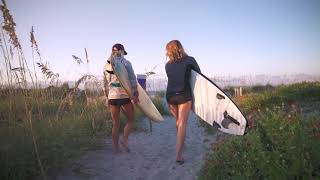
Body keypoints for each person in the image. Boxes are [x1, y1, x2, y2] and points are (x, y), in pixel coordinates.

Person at [165, 40, 201, 164]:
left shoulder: (167, 65)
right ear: (180, 48)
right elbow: (199, 76)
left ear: (168, 51)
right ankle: (179, 155)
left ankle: (181, 144)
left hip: (170, 96)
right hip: (183, 94)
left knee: (178, 122)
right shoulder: (190, 60)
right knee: (182, 123)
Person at [103, 43, 139, 153]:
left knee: (116, 123)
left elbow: (104, 83)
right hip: (124, 95)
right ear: (122, 51)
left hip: (112, 97)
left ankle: (116, 149)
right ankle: (124, 139)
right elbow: (132, 79)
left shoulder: (107, 65)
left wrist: (107, 97)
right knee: (131, 120)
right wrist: (135, 92)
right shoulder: (126, 63)